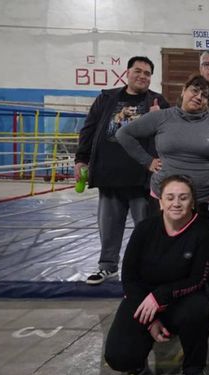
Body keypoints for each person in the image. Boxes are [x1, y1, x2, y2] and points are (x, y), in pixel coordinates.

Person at [117, 75, 209, 330]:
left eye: (204, 95)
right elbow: (125, 134)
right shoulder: (162, 117)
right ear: (183, 91)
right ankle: (154, 309)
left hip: (203, 204)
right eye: (194, 91)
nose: (197, 97)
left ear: (208, 102)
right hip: (165, 203)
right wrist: (147, 161)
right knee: (160, 258)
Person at [104, 175, 209, 375]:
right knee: (119, 358)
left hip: (180, 299)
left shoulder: (202, 232)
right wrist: (150, 320)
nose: (176, 203)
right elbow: (129, 277)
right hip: (144, 300)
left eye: (183, 198)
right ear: (160, 202)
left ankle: (193, 368)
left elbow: (197, 279)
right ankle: (138, 357)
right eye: (170, 197)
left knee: (200, 309)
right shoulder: (145, 229)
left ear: (192, 202)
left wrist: (162, 296)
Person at [74, 56, 169, 285]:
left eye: (147, 73)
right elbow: (89, 129)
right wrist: (81, 159)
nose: (143, 76)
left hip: (142, 176)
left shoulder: (158, 101)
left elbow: (169, 135)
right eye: (138, 71)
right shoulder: (106, 99)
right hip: (109, 173)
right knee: (109, 226)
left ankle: (148, 268)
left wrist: (159, 119)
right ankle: (107, 266)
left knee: (146, 227)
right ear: (127, 73)